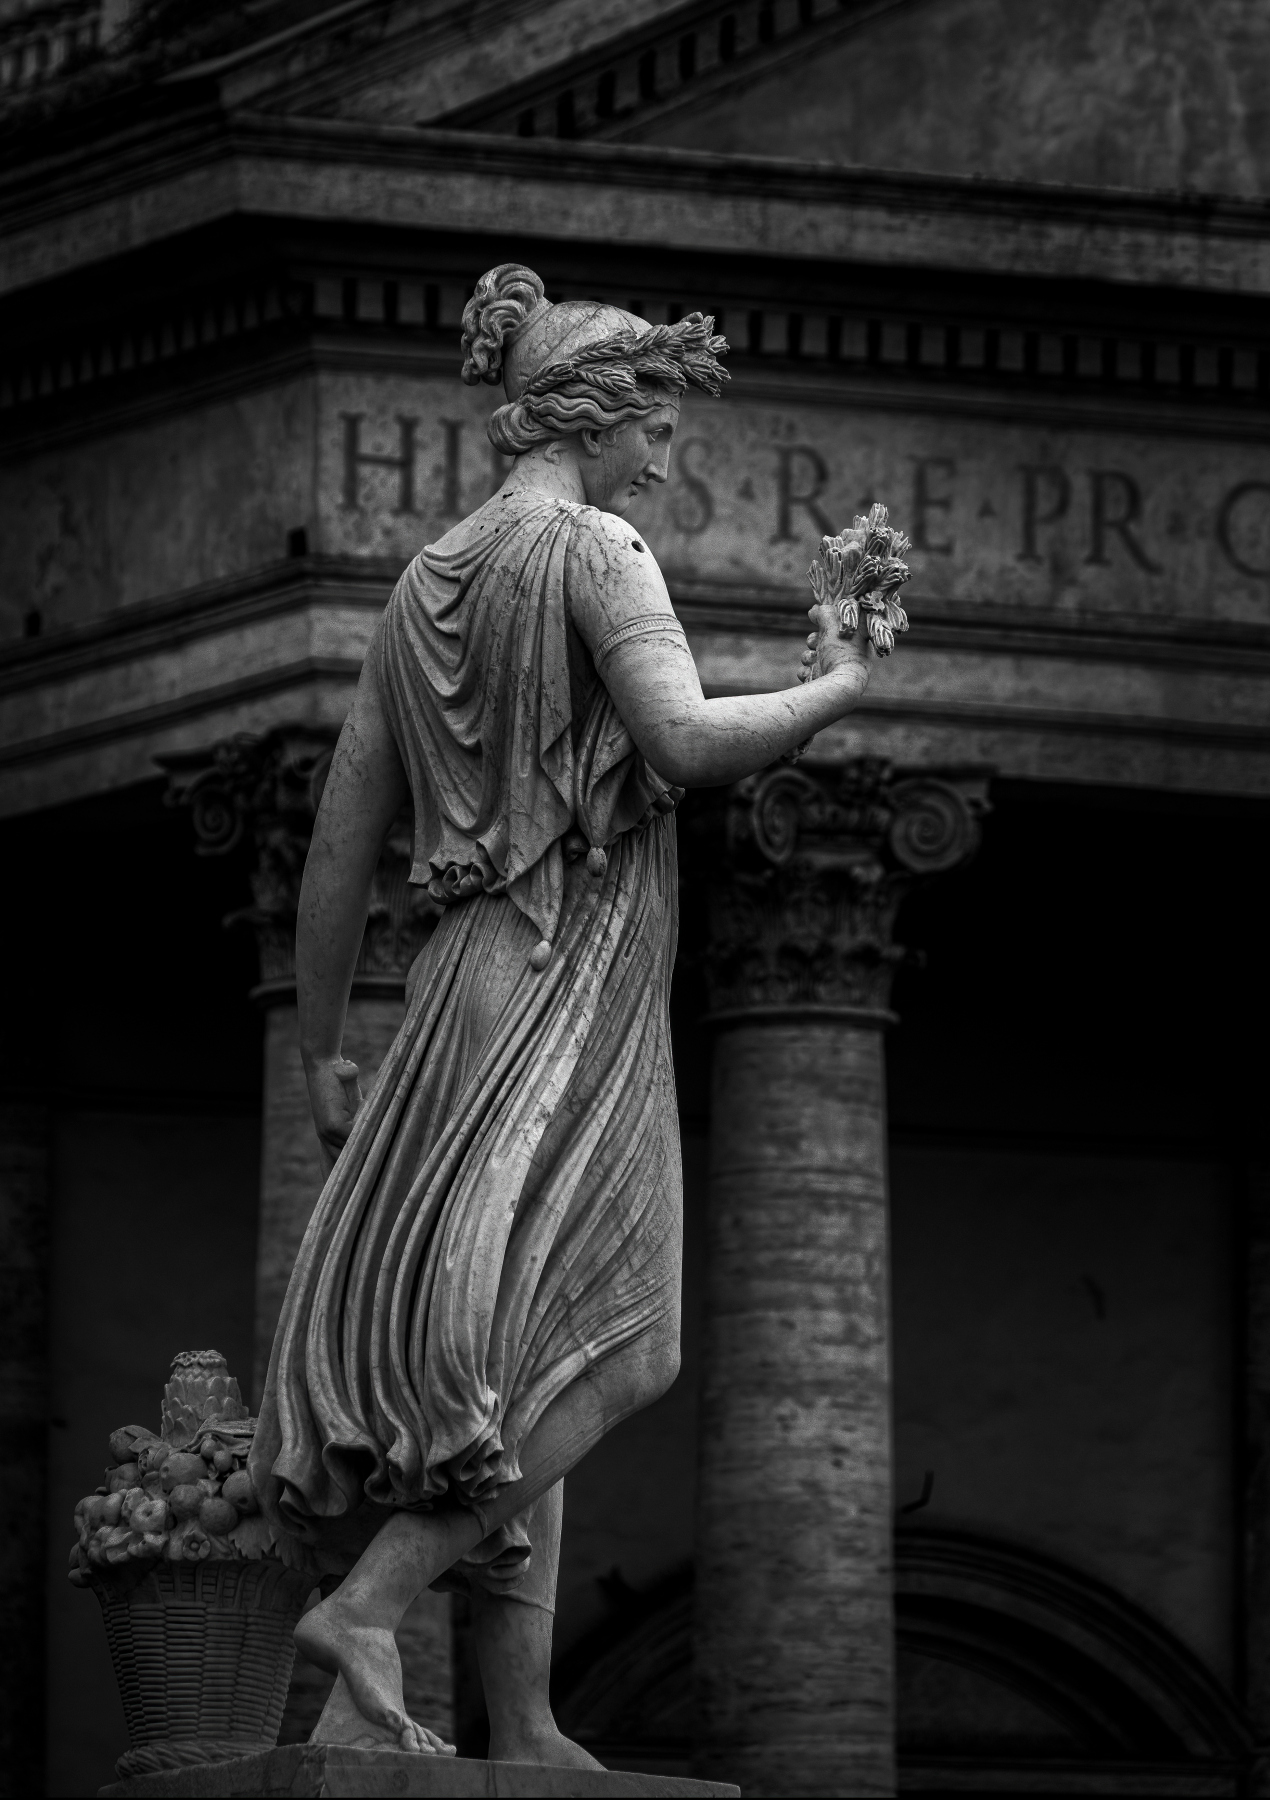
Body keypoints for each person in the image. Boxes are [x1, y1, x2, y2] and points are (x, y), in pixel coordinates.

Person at [247, 262, 876, 1762]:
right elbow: (682, 737)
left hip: (459, 982)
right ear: (599, 413)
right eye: (656, 424)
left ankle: (514, 1719)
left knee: (519, 1348)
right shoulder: (596, 550)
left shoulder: (426, 582)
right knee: (626, 1343)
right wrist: (835, 686)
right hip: (569, 971)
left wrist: (331, 1039)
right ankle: (375, 1604)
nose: (664, 459)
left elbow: (342, 839)